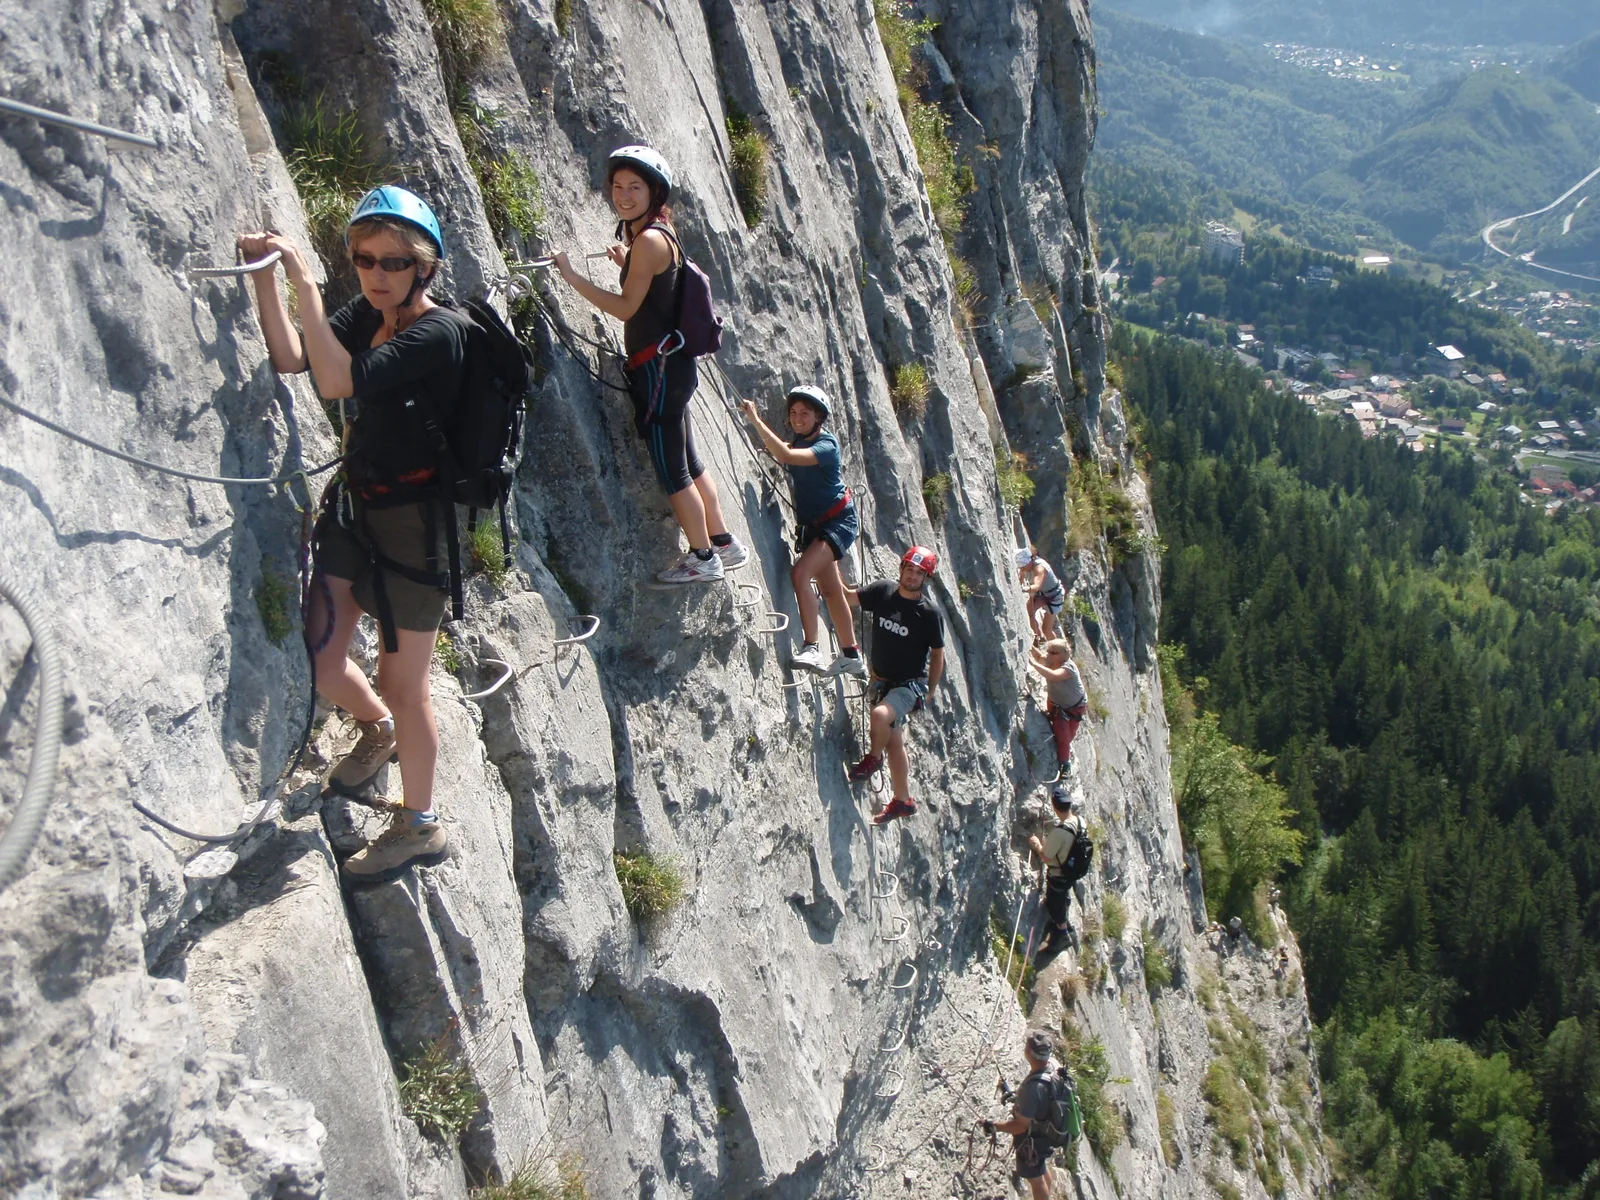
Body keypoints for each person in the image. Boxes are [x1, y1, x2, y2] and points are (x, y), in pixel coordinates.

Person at [240, 185, 461, 882]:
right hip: (356, 507)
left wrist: (305, 275)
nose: (374, 273)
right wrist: (268, 282)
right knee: (322, 655)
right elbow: (292, 357)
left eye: (392, 262)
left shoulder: (438, 333)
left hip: (415, 533)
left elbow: (337, 384)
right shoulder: (370, 314)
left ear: (423, 268)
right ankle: (377, 730)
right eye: (363, 259)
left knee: (406, 683)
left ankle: (419, 825)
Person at [553, 144, 747, 584]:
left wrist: (570, 276)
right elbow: (657, 293)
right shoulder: (657, 235)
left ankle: (703, 558)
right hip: (672, 368)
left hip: (659, 374)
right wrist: (627, 262)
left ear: (654, 192)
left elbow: (625, 308)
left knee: (672, 469)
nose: (623, 195)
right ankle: (723, 542)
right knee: (691, 461)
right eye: (618, 186)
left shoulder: (650, 242)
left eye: (634, 187)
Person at [740, 386, 864, 677]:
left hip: (838, 522)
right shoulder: (801, 441)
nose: (798, 418)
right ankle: (851, 655)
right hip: (819, 526)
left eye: (805, 413)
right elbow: (789, 451)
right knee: (832, 591)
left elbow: (786, 455)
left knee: (800, 574)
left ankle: (812, 647)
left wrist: (755, 420)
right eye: (794, 413)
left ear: (819, 417)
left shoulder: (826, 445)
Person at [843, 547, 945, 824]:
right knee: (895, 741)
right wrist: (828, 573)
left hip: (910, 686)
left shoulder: (929, 614)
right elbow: (849, 598)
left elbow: (937, 654)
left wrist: (931, 690)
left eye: (919, 573)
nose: (912, 576)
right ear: (901, 568)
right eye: (909, 569)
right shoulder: (883, 591)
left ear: (926, 578)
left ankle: (873, 760)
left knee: (880, 716)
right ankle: (903, 800)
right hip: (882, 680)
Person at [984, 1029, 1060, 1199]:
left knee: (1035, 1179)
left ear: (1029, 1053)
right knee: (1040, 1168)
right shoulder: (1053, 1065)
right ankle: (1050, 1194)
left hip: (1034, 1139)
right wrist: (1015, 1096)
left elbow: (1020, 1126)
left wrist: (994, 1126)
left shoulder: (1033, 1089)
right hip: (1047, 1132)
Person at [1027, 786, 1086, 957]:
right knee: (1062, 896)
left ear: (1054, 806)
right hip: (1073, 869)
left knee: (1054, 901)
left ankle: (1062, 933)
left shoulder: (1059, 832)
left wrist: (1037, 844)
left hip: (1059, 874)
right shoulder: (1080, 821)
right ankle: (1064, 923)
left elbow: (1045, 856)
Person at [1028, 637, 1087, 779]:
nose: (1049, 654)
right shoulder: (1052, 661)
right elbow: (1040, 656)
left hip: (1074, 708)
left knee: (1067, 738)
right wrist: (1029, 644)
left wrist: (1033, 664)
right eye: (1049, 651)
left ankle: (1065, 763)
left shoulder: (1068, 668)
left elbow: (1053, 676)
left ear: (1064, 654)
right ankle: (1065, 763)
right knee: (1063, 736)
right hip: (1056, 703)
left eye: (1054, 652)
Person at [1016, 547, 1065, 642]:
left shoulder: (1040, 568)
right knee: (1029, 611)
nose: (1022, 569)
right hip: (1041, 593)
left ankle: (1057, 648)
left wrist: (1024, 589)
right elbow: (1022, 576)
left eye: (1023, 567)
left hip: (1054, 596)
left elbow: (1036, 585)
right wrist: (1019, 583)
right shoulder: (1027, 565)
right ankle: (1038, 637)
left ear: (1028, 562)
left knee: (1047, 629)